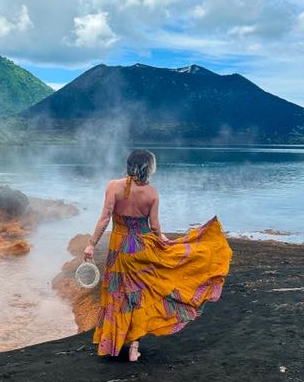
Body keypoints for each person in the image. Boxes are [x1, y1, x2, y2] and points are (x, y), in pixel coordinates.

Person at [84, 149, 232, 362]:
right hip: (144, 248)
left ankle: (113, 343)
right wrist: (163, 240)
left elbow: (105, 218)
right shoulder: (152, 193)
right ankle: (134, 347)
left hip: (120, 250)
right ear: (148, 168)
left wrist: (91, 245)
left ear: (129, 164)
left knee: (119, 294)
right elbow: (154, 226)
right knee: (142, 295)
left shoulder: (113, 186)